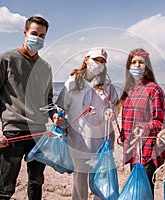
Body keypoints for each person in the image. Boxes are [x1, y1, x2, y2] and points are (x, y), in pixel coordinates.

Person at [0, 16, 55, 200]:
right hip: (13, 134)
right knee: (6, 188)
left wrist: (54, 115)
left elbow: (49, 101)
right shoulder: (4, 60)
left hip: (39, 135)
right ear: (25, 33)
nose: (38, 38)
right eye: (34, 33)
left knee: (36, 184)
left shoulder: (46, 68)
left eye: (42, 36)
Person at [55, 47, 118, 200]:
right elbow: (61, 107)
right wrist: (58, 118)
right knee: (80, 181)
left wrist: (111, 111)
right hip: (78, 141)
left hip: (102, 142)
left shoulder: (107, 85)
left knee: (101, 181)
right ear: (86, 59)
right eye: (96, 60)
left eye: (102, 61)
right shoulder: (72, 82)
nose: (99, 64)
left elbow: (116, 105)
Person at [119, 48, 165, 197]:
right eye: (133, 62)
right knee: (137, 192)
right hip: (133, 151)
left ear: (147, 66)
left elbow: (161, 123)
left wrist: (143, 127)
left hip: (148, 152)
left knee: (144, 193)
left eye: (141, 62)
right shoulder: (129, 90)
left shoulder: (154, 90)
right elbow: (128, 119)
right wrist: (123, 134)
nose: (137, 65)